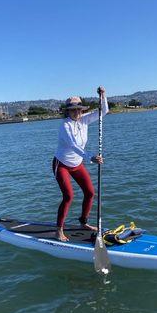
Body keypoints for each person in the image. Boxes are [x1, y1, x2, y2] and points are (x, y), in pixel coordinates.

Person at [53, 87, 108, 241]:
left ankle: (83, 223)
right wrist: (91, 157)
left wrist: (103, 95)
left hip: (77, 164)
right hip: (62, 164)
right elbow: (72, 145)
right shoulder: (65, 125)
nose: (76, 112)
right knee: (68, 196)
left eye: (78, 109)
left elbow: (103, 111)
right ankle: (59, 230)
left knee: (90, 192)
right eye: (72, 110)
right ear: (67, 112)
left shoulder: (85, 119)